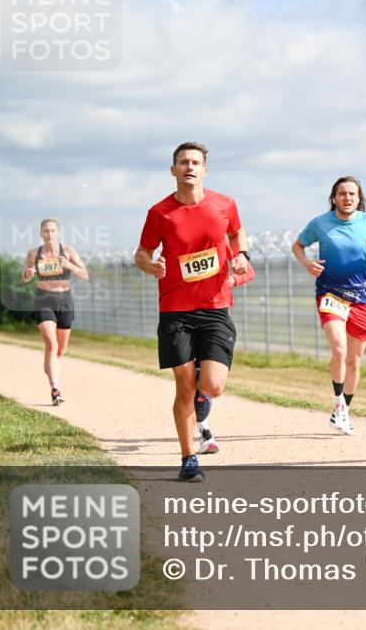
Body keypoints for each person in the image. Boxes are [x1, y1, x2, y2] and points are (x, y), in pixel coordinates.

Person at [134, 142, 248, 482]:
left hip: (215, 305)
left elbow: (237, 232)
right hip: (175, 309)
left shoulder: (224, 204)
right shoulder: (159, 213)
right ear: (173, 170)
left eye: (195, 162)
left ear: (204, 170)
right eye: (183, 162)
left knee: (212, 385)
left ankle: (203, 395)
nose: (189, 167)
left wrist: (241, 255)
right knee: (183, 385)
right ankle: (188, 459)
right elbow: (141, 252)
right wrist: (150, 265)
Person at [292, 176, 366, 435]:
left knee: (354, 361)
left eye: (352, 194)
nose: (347, 198)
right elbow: (298, 245)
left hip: (361, 298)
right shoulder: (321, 224)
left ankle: (343, 411)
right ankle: (338, 404)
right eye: (342, 194)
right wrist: (307, 264)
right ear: (334, 198)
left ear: (359, 199)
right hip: (331, 294)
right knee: (339, 350)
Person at [194, 238, 256, 455]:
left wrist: (232, 279)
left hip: (218, 317)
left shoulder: (222, 242)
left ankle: (203, 429)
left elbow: (248, 272)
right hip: (185, 316)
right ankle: (204, 430)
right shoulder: (181, 241)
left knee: (207, 378)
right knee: (193, 376)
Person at [22, 218, 89, 405]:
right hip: (44, 299)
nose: (49, 234)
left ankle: (50, 365)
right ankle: (55, 390)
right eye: (45, 231)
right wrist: (28, 274)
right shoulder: (34, 253)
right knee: (51, 345)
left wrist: (69, 266)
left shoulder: (68, 251)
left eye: (52, 230)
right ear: (41, 234)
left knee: (60, 349)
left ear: (58, 233)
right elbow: (26, 276)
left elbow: (85, 275)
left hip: (65, 300)